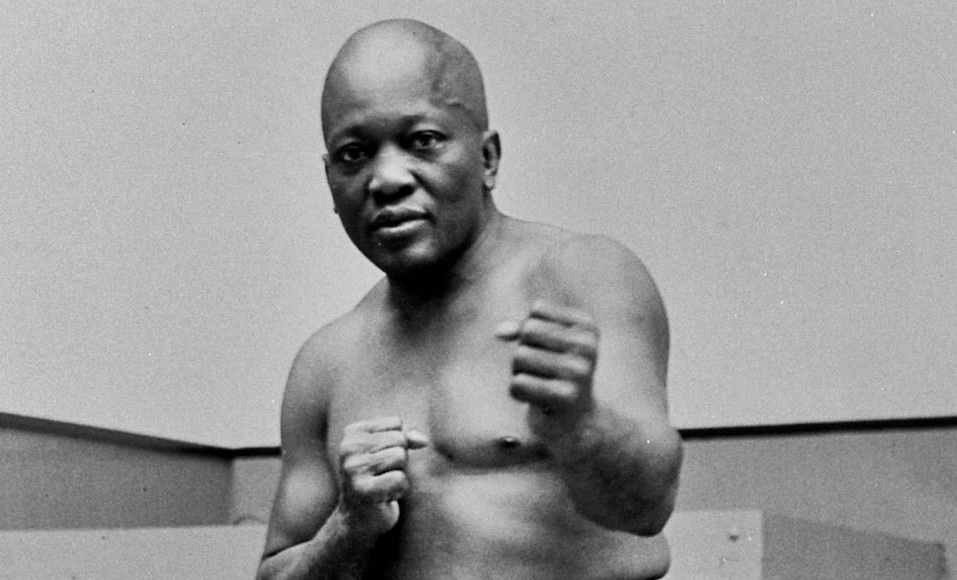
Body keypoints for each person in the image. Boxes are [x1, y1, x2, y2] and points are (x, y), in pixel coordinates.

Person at [257, 18, 682, 580]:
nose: (386, 179)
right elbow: (277, 572)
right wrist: (346, 528)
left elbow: (649, 506)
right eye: (354, 153)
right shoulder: (326, 363)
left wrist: (580, 424)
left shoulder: (581, 277)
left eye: (422, 141)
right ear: (329, 180)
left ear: (487, 159)